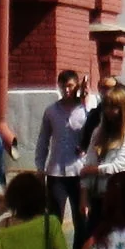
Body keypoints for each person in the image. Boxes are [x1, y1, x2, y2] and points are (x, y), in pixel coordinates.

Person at [34, 69, 95, 238]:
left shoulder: (86, 109)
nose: (66, 90)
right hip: (56, 173)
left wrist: (87, 100)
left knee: (81, 220)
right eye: (62, 86)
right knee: (53, 221)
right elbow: (43, 140)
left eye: (70, 86)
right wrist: (40, 166)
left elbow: (96, 130)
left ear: (77, 86)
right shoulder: (51, 111)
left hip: (79, 172)